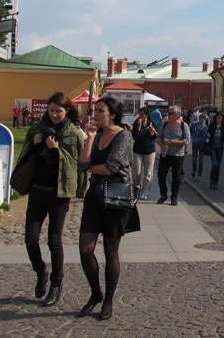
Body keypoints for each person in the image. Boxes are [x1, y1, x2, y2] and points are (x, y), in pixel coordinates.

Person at [20, 91, 86, 307]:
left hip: (59, 194)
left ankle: (56, 284)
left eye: (59, 111)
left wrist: (56, 151)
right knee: (30, 239)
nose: (54, 114)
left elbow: (76, 163)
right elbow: (26, 155)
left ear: (67, 111)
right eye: (51, 110)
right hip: (37, 192)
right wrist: (34, 142)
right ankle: (41, 271)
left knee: (54, 240)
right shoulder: (37, 129)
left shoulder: (73, 133)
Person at [78, 97, 140, 321]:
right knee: (85, 249)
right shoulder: (97, 135)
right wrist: (90, 139)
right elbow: (81, 164)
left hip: (115, 197)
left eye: (100, 111)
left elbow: (111, 167)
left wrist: (90, 168)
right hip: (94, 196)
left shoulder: (124, 135)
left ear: (112, 115)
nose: (95, 114)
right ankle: (95, 293)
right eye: (95, 110)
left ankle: (108, 300)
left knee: (110, 251)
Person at [156, 105, 190, 205]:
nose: (168, 114)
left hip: (178, 155)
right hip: (165, 154)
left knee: (176, 177)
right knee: (161, 175)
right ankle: (163, 194)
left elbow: (187, 140)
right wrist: (162, 145)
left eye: (170, 113)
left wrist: (174, 142)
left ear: (176, 115)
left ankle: (174, 196)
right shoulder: (165, 124)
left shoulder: (184, 126)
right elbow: (158, 137)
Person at [130, 107, 157, 200]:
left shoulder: (151, 124)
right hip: (138, 150)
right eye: (140, 114)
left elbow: (154, 138)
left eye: (142, 115)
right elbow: (134, 136)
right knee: (136, 172)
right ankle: (136, 187)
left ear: (147, 115)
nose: (141, 117)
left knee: (148, 173)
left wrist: (153, 132)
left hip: (149, 150)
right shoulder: (136, 123)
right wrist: (138, 126)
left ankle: (145, 192)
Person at [206, 112, 224, 189]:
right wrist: (208, 136)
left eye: (220, 118)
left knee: (218, 165)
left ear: (222, 119)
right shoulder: (212, 126)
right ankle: (212, 180)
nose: (219, 120)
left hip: (220, 148)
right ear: (216, 118)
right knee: (214, 164)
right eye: (218, 118)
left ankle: (216, 181)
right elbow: (207, 134)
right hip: (213, 147)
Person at [190, 113, 209, 181]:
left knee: (201, 160)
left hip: (202, 145)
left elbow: (203, 137)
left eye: (202, 120)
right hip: (195, 145)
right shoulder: (194, 124)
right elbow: (190, 131)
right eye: (200, 120)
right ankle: (194, 170)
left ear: (204, 120)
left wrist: (194, 140)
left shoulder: (205, 127)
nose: (201, 121)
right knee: (194, 159)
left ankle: (199, 175)